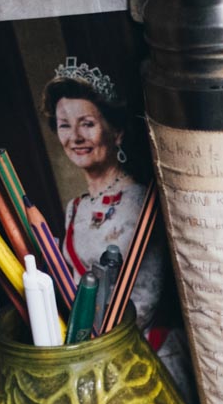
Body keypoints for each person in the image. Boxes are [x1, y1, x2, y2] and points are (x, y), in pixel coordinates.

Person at [41, 56, 167, 346]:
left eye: (87, 124)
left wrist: (95, 343)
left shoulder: (142, 201)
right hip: (90, 343)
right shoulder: (75, 208)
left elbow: (146, 300)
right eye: (64, 125)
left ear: (117, 133)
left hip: (139, 346)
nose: (75, 137)